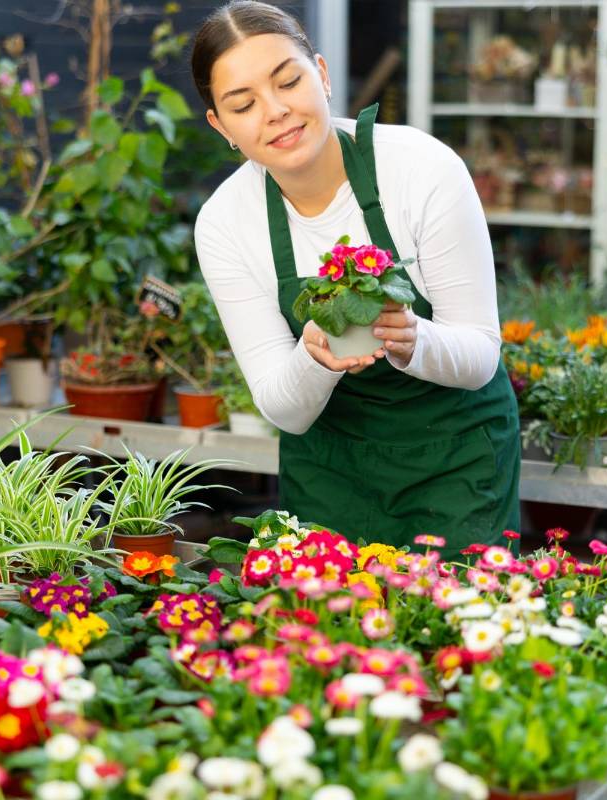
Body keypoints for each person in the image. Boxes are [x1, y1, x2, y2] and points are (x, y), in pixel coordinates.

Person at [190, 0, 519, 552]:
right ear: (221, 126)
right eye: (243, 104)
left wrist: (415, 339)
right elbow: (283, 408)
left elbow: (480, 352)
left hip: (456, 463)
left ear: (321, 74)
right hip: (330, 471)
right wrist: (315, 357)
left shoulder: (420, 169)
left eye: (288, 81)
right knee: (332, 634)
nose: (275, 111)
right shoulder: (226, 222)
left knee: (454, 630)